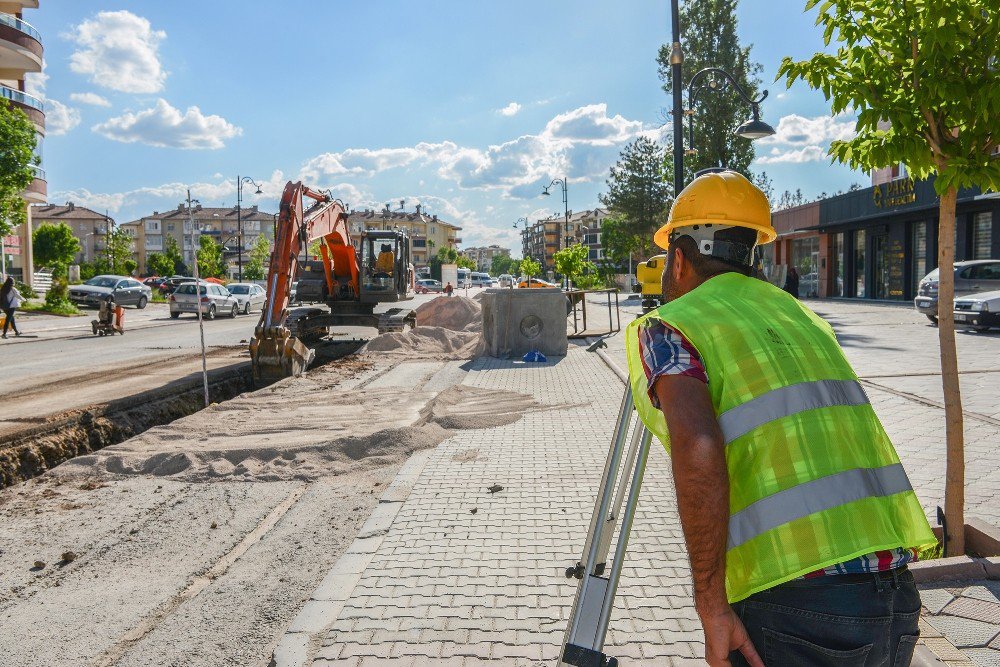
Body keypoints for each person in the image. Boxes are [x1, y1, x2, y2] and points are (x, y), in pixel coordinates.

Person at [624, 170, 933, 667]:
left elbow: (697, 449)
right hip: (893, 594)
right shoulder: (801, 317)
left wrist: (710, 604)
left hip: (798, 604)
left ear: (679, 259)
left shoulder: (674, 325)